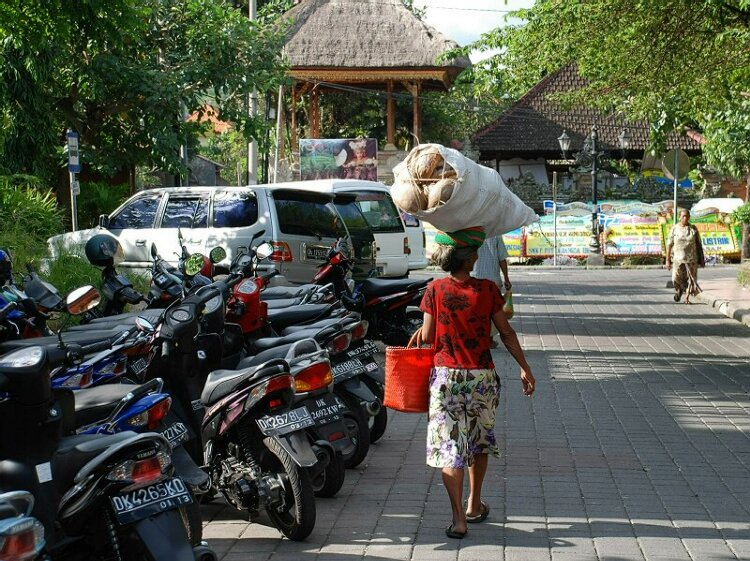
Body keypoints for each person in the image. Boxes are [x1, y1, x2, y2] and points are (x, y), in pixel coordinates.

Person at [420, 226, 536, 540]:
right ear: (466, 258)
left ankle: (459, 519)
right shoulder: (486, 290)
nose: (476, 255)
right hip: (481, 377)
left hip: (446, 378)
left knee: (450, 447)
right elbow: (506, 333)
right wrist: (524, 367)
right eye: (473, 251)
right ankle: (474, 503)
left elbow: (428, 337)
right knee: (478, 442)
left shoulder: (435, 290)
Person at [472, 235, 512, 347]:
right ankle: (489, 339)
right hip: (493, 280)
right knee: (492, 311)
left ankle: (478, 338)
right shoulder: (496, 235)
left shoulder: (471, 232)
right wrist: (506, 279)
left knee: (476, 310)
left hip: (474, 278)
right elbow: (502, 259)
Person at [666, 209, 705, 304]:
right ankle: (680, 290)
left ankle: (687, 297)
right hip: (678, 259)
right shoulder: (674, 229)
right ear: (680, 217)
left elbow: (699, 244)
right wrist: (667, 260)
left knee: (691, 278)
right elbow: (669, 244)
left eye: (687, 216)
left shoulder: (693, 229)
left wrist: (702, 259)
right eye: (683, 216)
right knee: (676, 278)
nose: (685, 218)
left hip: (691, 258)